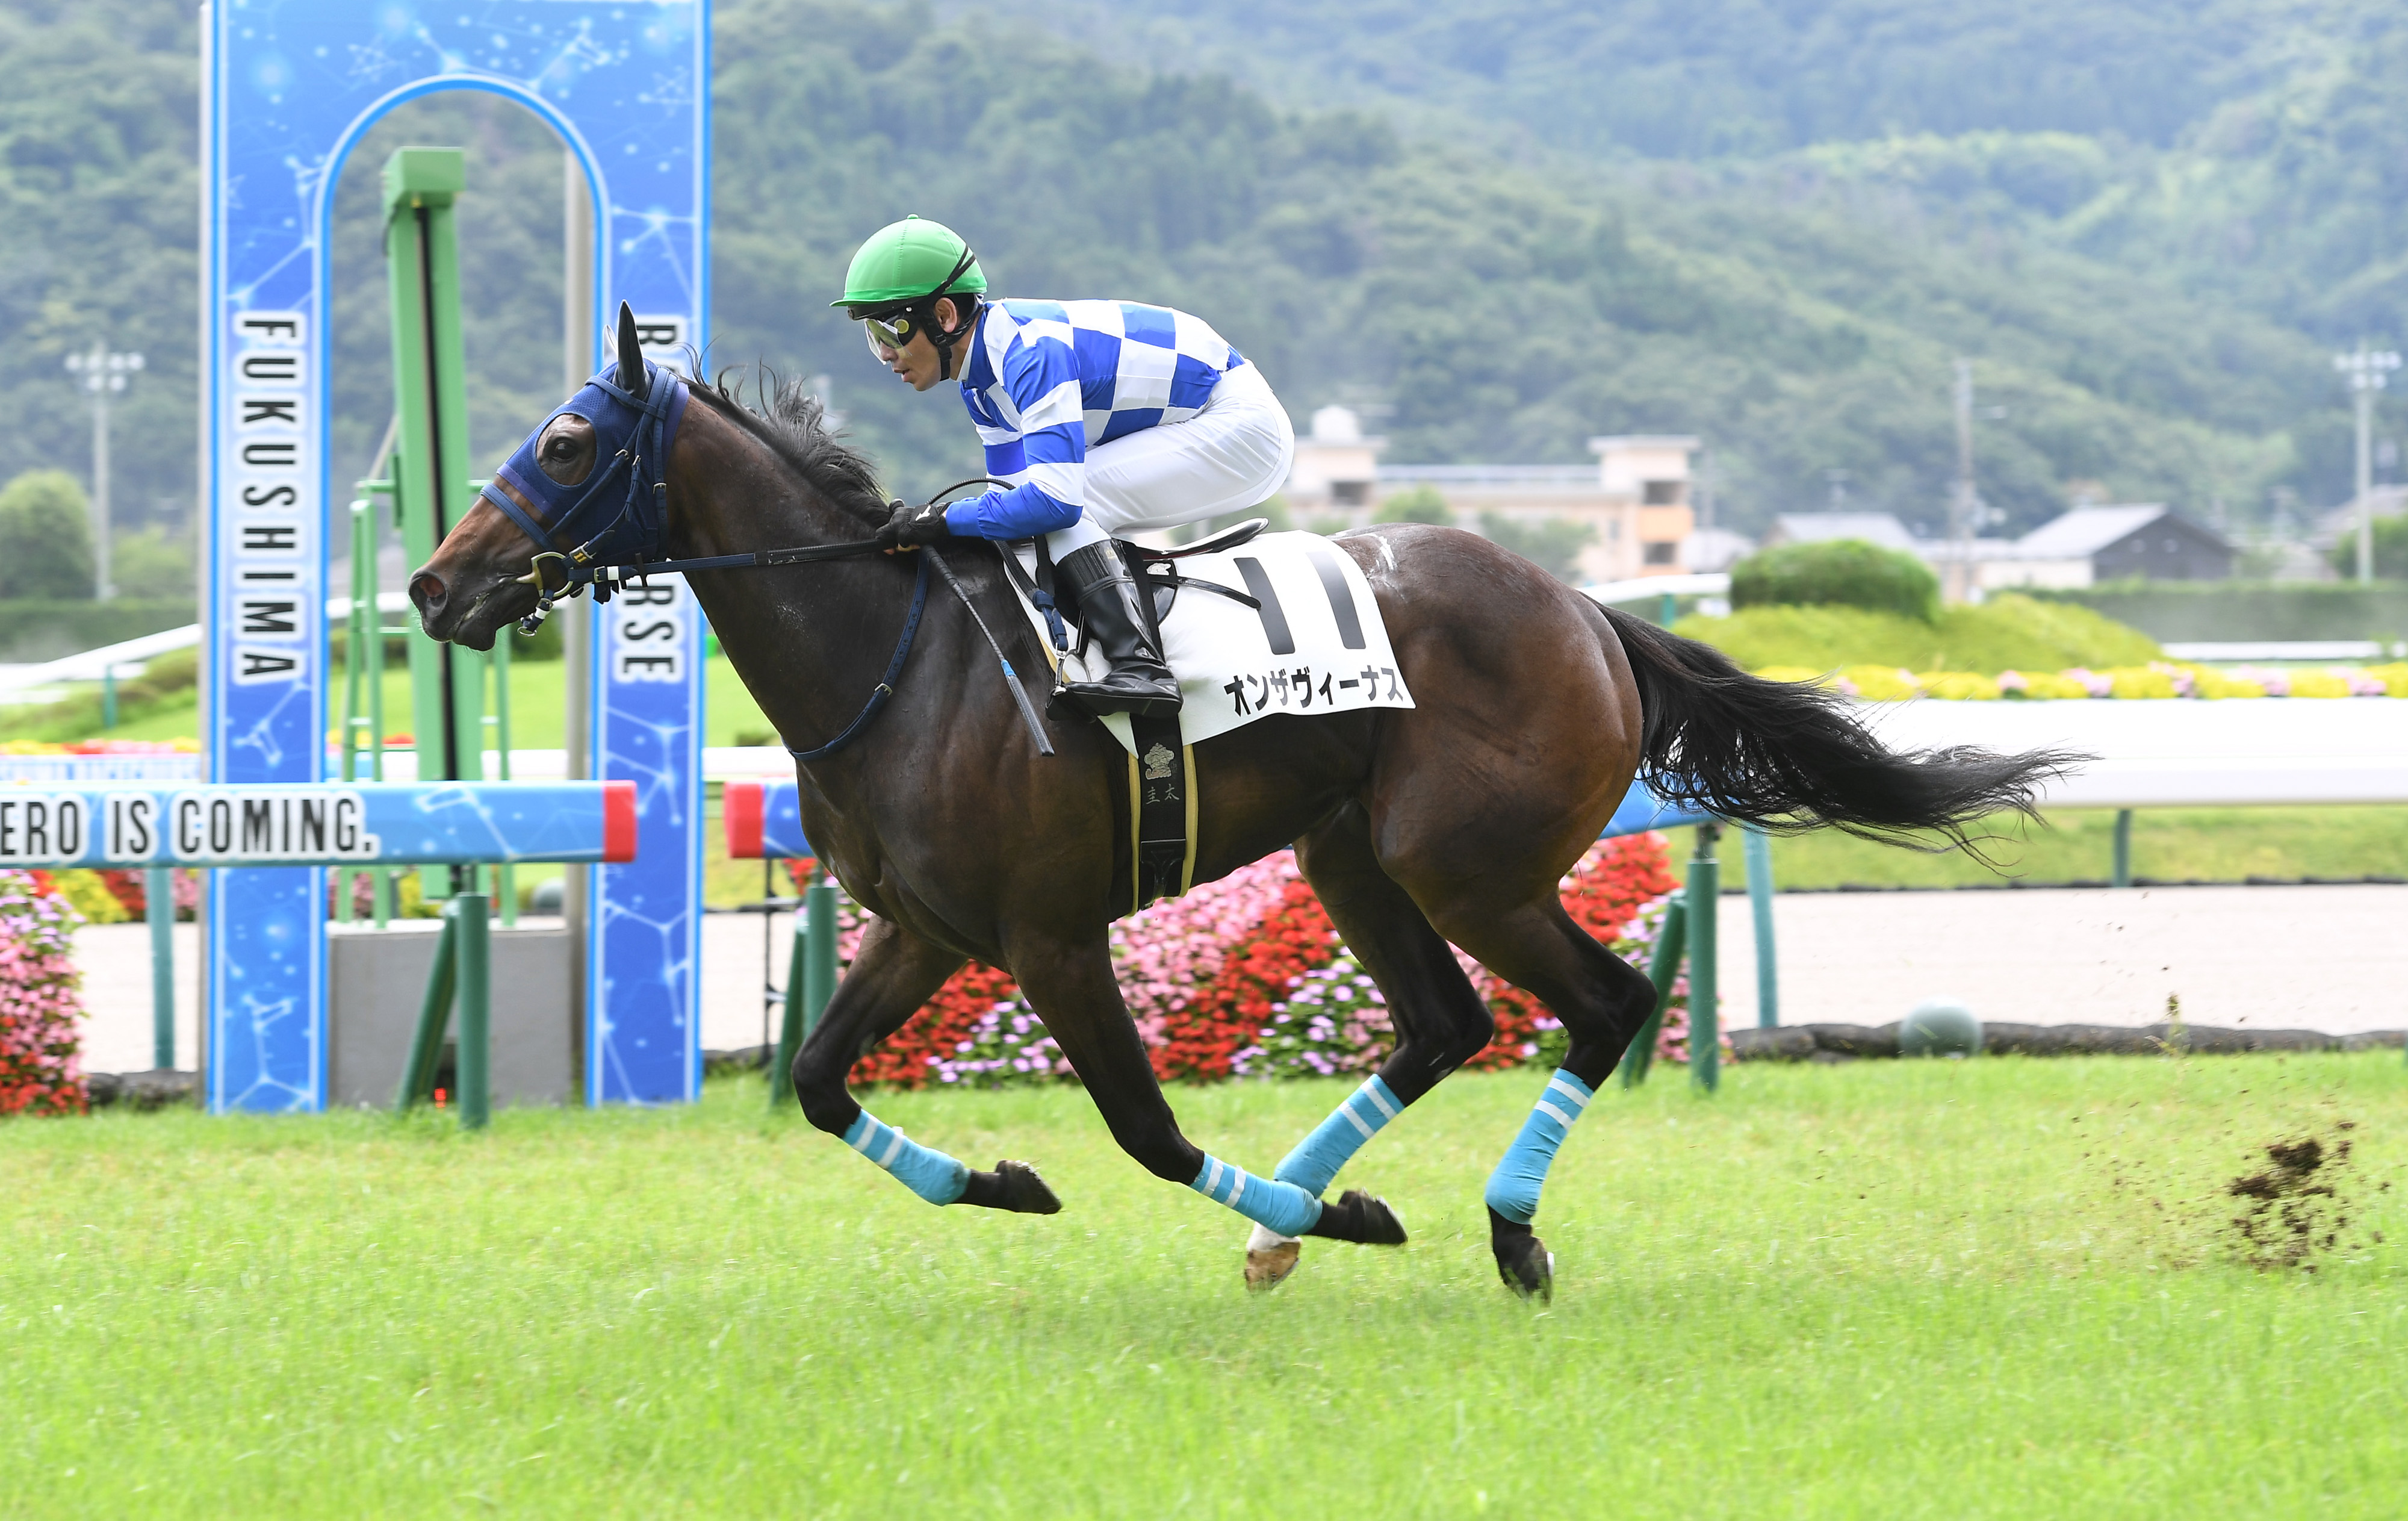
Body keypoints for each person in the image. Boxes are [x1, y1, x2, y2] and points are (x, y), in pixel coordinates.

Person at [835, 215, 1295, 719]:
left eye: (890, 328)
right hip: (1200, 419)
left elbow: (1053, 502)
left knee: (1070, 499)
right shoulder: (979, 385)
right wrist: (936, 527)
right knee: (1033, 511)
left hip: (1239, 424)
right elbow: (1008, 496)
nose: (884, 353)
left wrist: (941, 520)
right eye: (871, 333)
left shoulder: (1028, 355)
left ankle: (1142, 668)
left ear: (944, 315)